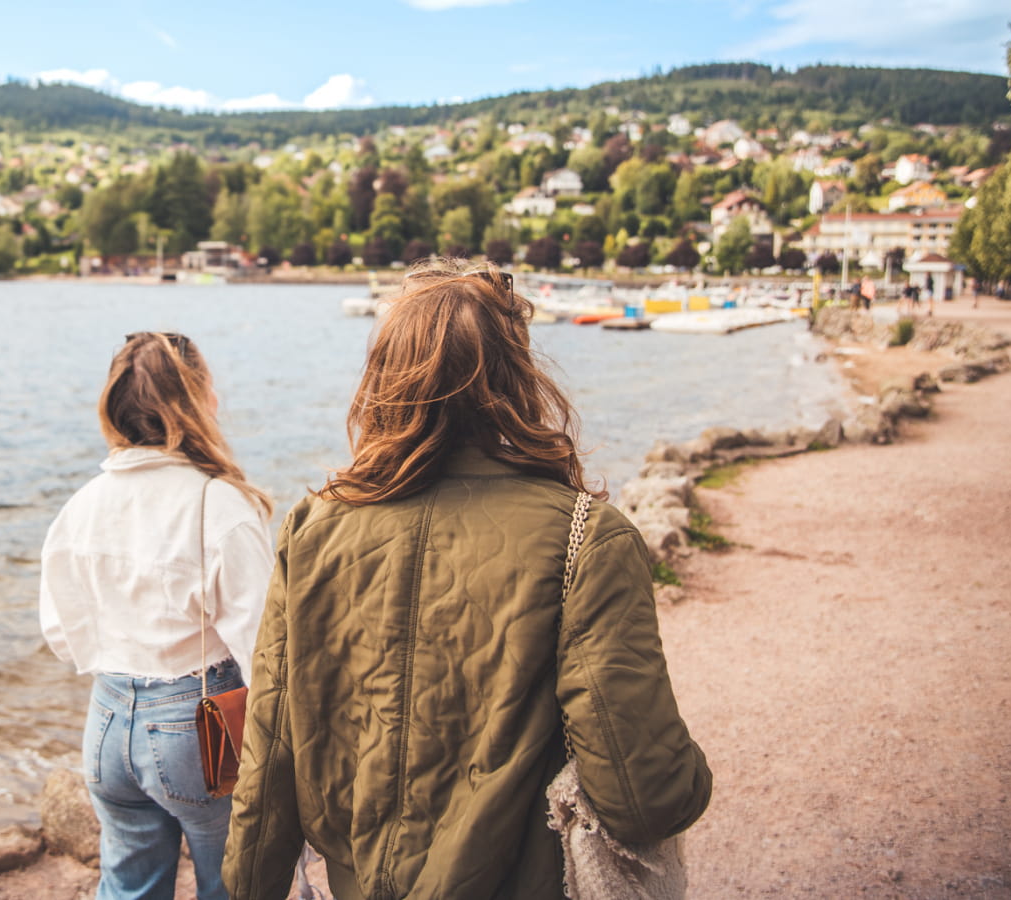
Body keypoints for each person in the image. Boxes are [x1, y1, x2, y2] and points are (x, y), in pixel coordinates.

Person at [224, 259, 712, 900]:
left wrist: (247, 885)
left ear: (382, 379)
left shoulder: (309, 529)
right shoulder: (588, 537)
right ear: (519, 378)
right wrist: (692, 779)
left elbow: (270, 753)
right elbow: (644, 797)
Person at [40, 331, 275, 900]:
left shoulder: (84, 503)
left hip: (107, 718)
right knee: (233, 883)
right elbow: (263, 649)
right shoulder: (217, 503)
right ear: (195, 403)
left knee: (128, 886)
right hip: (198, 724)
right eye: (209, 388)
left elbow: (60, 633)